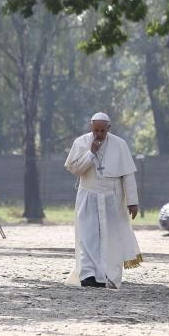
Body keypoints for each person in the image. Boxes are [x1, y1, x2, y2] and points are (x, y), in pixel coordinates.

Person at [64, 112, 142, 288]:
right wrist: (91, 153)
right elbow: (75, 169)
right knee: (88, 236)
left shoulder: (120, 145)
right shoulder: (81, 142)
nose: (98, 134)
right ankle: (88, 276)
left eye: (102, 130)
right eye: (95, 130)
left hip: (112, 197)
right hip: (88, 195)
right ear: (90, 127)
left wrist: (132, 201)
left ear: (109, 128)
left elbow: (128, 175)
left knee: (111, 238)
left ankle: (108, 276)